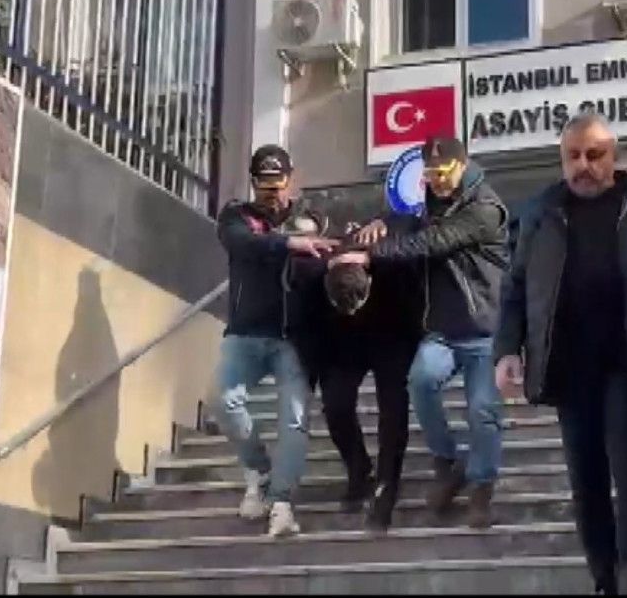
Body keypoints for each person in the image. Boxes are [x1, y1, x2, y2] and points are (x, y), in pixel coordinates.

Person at [492, 112, 627, 595]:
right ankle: (605, 578)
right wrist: (507, 349)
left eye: (594, 154)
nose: (583, 165)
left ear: (613, 156)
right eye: (573, 156)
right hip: (568, 367)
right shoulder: (539, 213)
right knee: (586, 480)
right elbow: (515, 287)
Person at [342, 136, 509, 529]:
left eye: (443, 172)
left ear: (463, 165)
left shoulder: (486, 208)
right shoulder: (428, 205)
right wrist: (381, 223)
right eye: (430, 173)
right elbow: (408, 223)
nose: (437, 180)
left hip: (484, 329)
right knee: (419, 381)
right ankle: (448, 463)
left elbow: (433, 241)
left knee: (482, 411)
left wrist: (370, 253)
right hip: (442, 329)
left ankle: (481, 487)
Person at [212, 143, 338, 538]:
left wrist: (304, 234)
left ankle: (282, 501)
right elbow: (242, 243)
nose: (272, 193)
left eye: (278, 183)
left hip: (294, 338)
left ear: (290, 179)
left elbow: (321, 243)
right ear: (253, 182)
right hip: (246, 331)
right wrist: (287, 243)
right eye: (263, 185)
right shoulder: (236, 216)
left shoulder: (311, 215)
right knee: (223, 399)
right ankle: (260, 472)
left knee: (295, 420)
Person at [288, 226, 423, 533]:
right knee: (336, 404)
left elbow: (415, 311)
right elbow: (305, 333)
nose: (351, 313)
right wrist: (311, 376)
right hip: (340, 346)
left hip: (391, 337)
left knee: (393, 411)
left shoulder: (392, 272)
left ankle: (387, 483)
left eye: (355, 307)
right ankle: (358, 468)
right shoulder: (311, 282)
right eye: (343, 308)